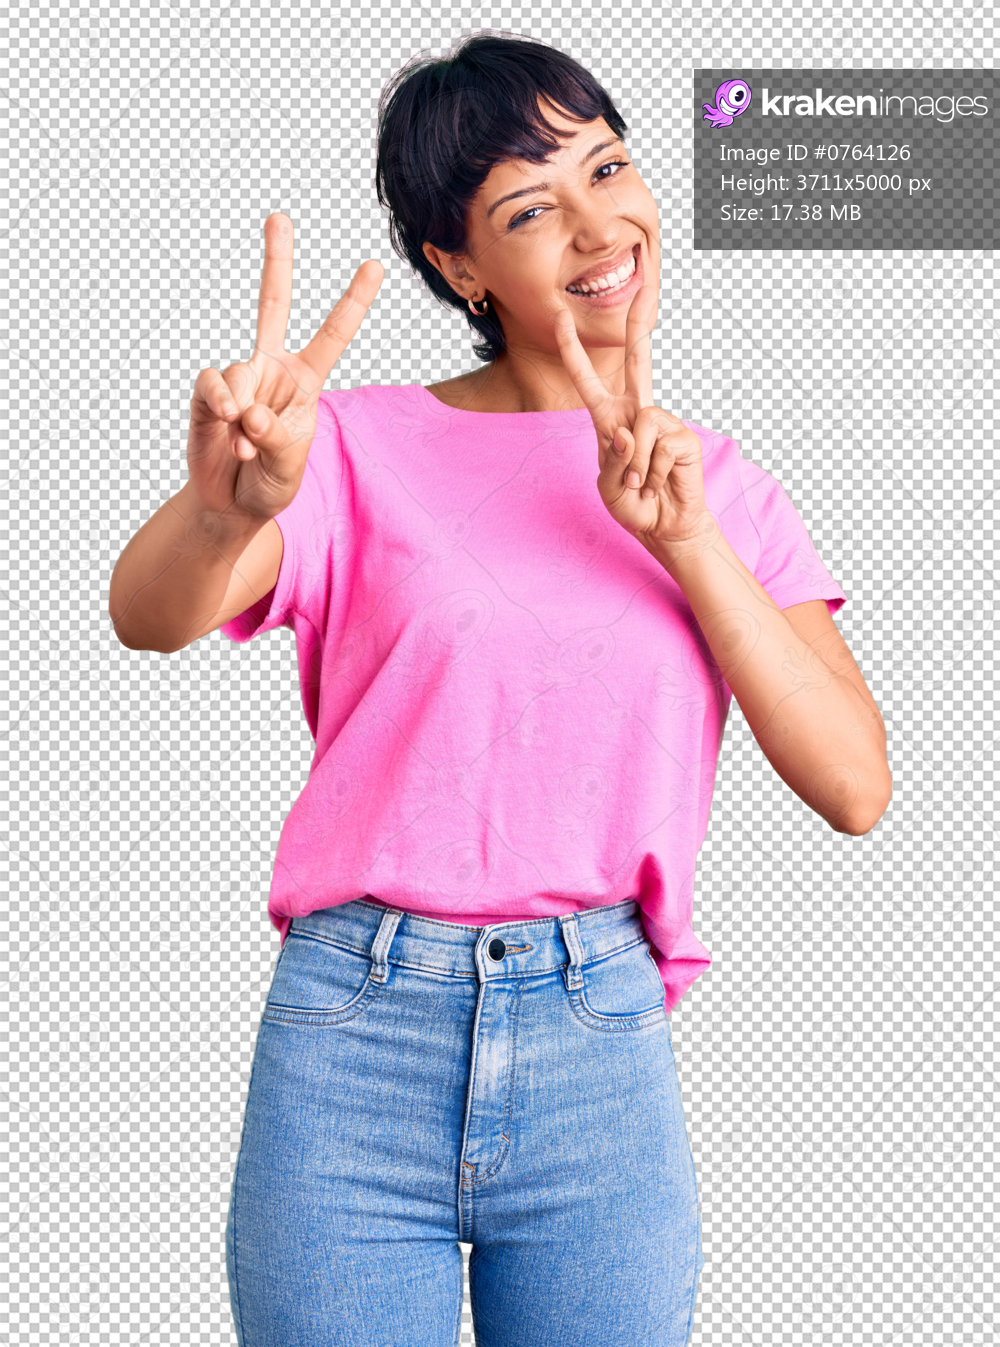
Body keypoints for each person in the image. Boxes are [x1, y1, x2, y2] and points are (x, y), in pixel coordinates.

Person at [108, 31, 892, 1347]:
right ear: (455, 264)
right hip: (355, 1033)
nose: (598, 225)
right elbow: (148, 615)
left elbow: (856, 786)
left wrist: (688, 543)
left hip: (600, 1038)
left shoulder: (725, 485)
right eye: (530, 207)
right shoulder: (348, 447)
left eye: (608, 167)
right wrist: (223, 502)